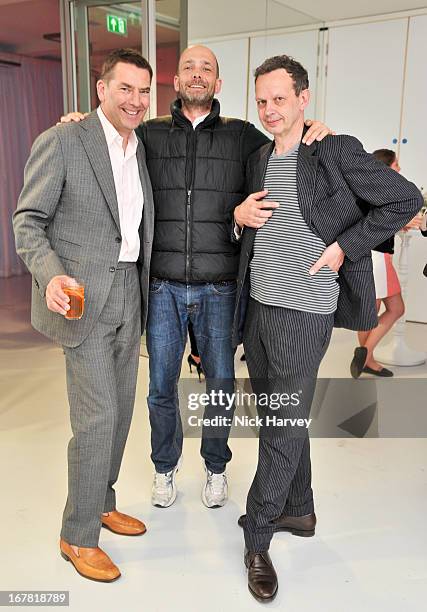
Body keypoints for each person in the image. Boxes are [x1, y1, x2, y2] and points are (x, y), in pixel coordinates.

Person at [61, 45, 332, 510]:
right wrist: (80, 122)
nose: (197, 74)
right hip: (162, 285)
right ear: (177, 80)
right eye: (189, 66)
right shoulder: (147, 134)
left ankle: (215, 466)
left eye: (208, 67)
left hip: (219, 286)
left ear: (218, 84)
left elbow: (283, 137)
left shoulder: (242, 136)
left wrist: (315, 128)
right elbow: (110, 137)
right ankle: (164, 468)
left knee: (221, 384)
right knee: (161, 386)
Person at [231, 54, 423, 603]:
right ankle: (301, 508)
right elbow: (248, 222)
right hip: (260, 307)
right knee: (280, 418)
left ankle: (257, 534)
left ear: (303, 98)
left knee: (280, 422)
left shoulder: (333, 149)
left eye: (280, 99)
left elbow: (404, 200)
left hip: (305, 310)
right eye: (262, 100)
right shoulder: (260, 157)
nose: (270, 110)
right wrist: (236, 216)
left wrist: (343, 248)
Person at [13, 49, 155, 583]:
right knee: (95, 420)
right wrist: (51, 276)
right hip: (82, 301)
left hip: (128, 297)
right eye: (125, 89)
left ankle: (101, 500)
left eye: (144, 91)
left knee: (120, 413)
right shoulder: (64, 140)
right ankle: (77, 534)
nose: (135, 100)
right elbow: (28, 221)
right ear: (101, 90)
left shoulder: (140, 147)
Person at [352, 148, 423, 378]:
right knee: (382, 311)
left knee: (386, 310)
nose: (400, 169)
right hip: (376, 259)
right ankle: (366, 356)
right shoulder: (380, 191)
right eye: (396, 165)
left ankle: (365, 355)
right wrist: (403, 220)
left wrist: (401, 223)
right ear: (386, 167)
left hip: (377, 257)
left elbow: (377, 222)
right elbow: (375, 224)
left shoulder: (373, 189)